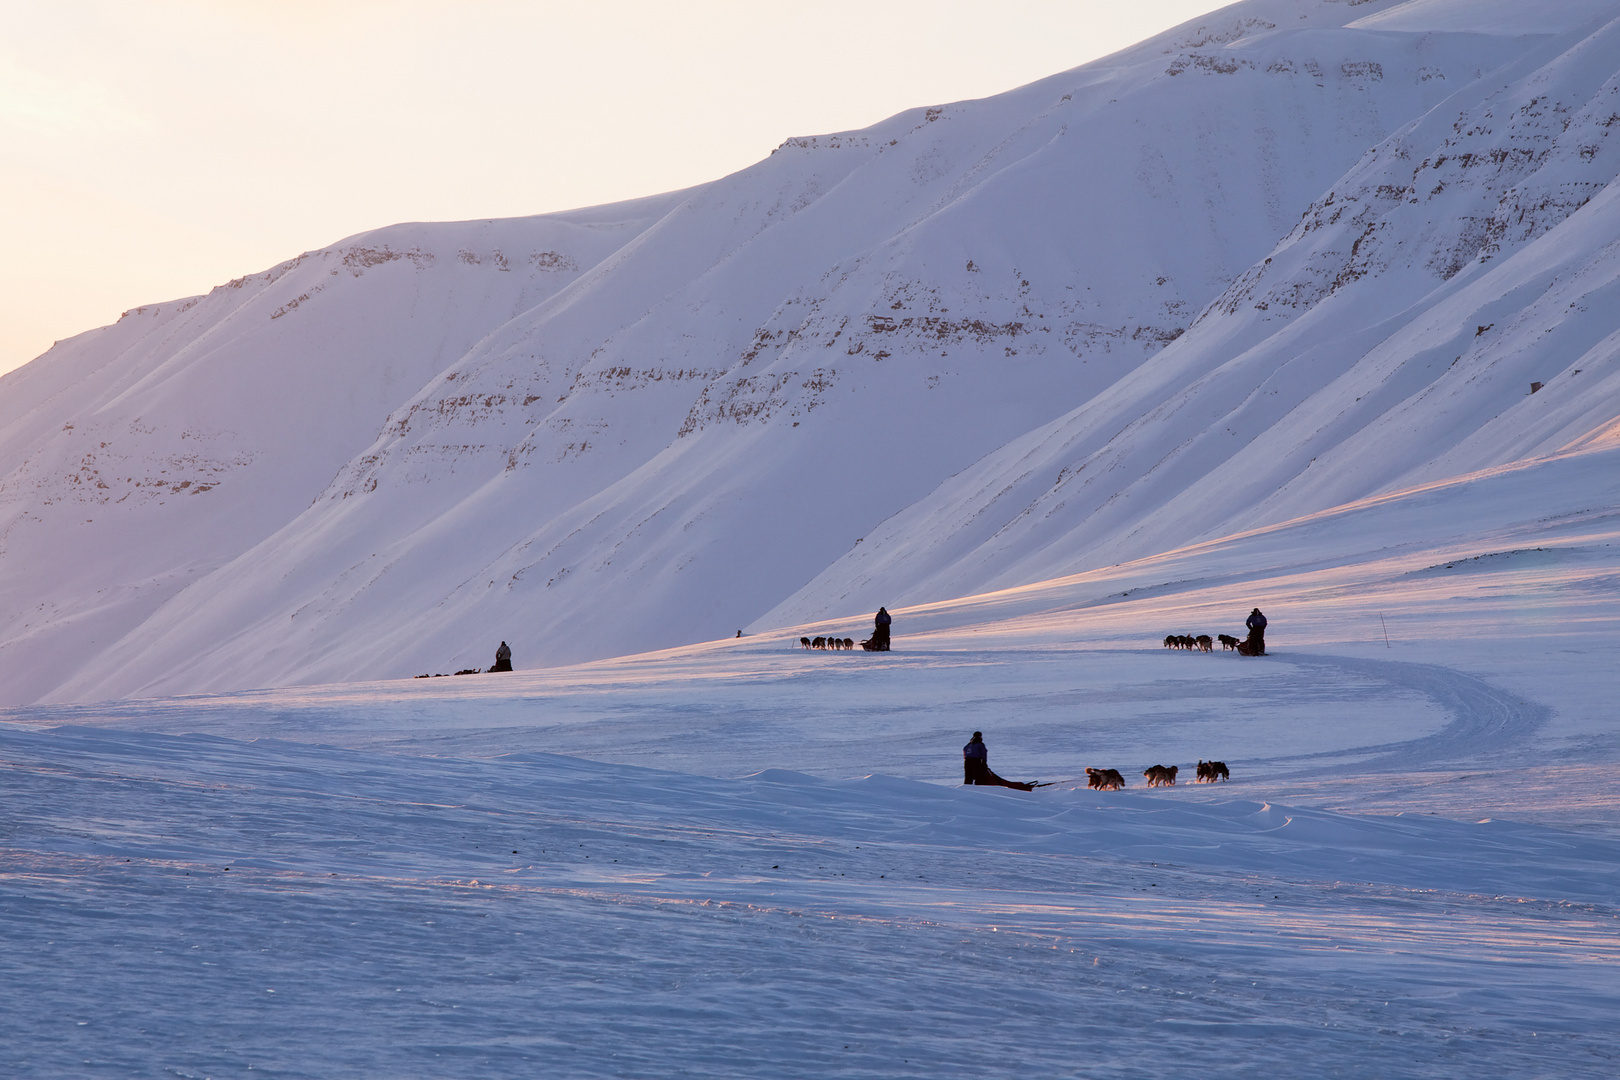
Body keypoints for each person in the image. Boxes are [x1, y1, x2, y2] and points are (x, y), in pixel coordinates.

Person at [962, 731, 1034, 790]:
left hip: (967, 762)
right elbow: (984, 753)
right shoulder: (980, 744)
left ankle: (966, 790)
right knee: (979, 777)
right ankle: (979, 790)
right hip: (976, 762)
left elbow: (965, 753)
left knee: (968, 777)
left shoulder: (968, 745)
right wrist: (984, 763)